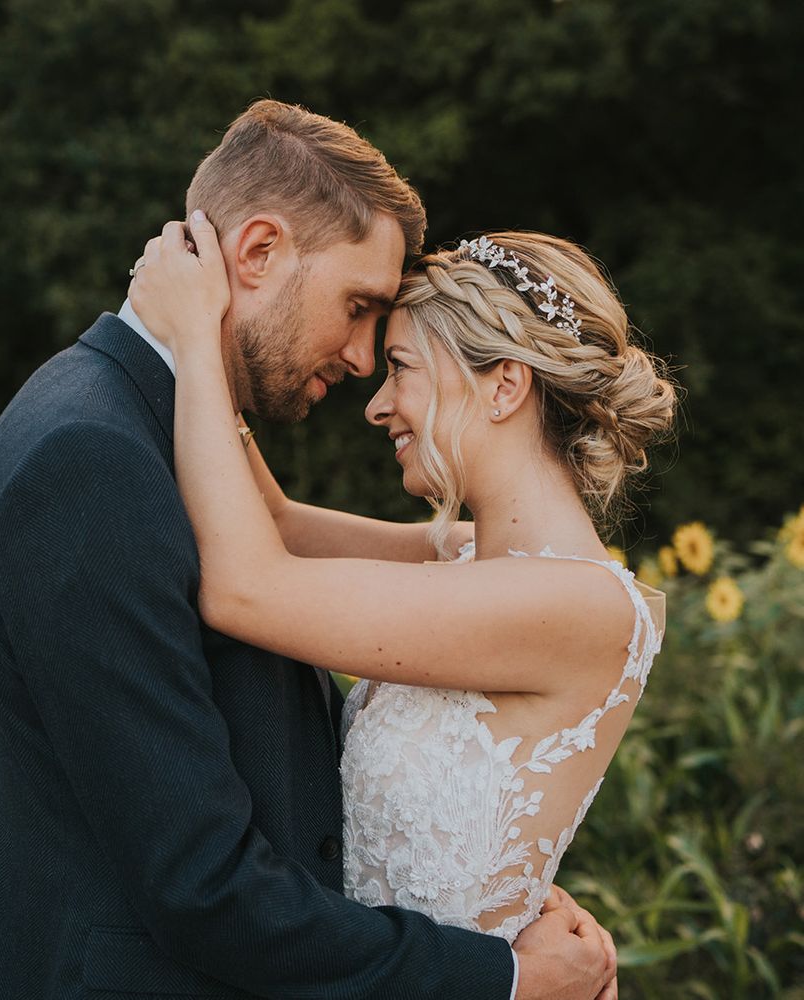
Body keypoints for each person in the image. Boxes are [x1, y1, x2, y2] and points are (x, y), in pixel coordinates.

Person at [0, 99, 617, 1000]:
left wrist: (496, 886)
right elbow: (202, 882)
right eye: (358, 306)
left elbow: (278, 531)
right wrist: (497, 973)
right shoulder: (90, 460)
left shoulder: (145, 430)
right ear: (258, 252)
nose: (360, 359)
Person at [127, 213, 676, 952]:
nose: (378, 405)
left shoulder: (578, 605)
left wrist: (193, 338)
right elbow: (280, 524)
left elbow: (246, 589)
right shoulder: (462, 559)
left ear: (504, 386)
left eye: (402, 368)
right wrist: (225, 340)